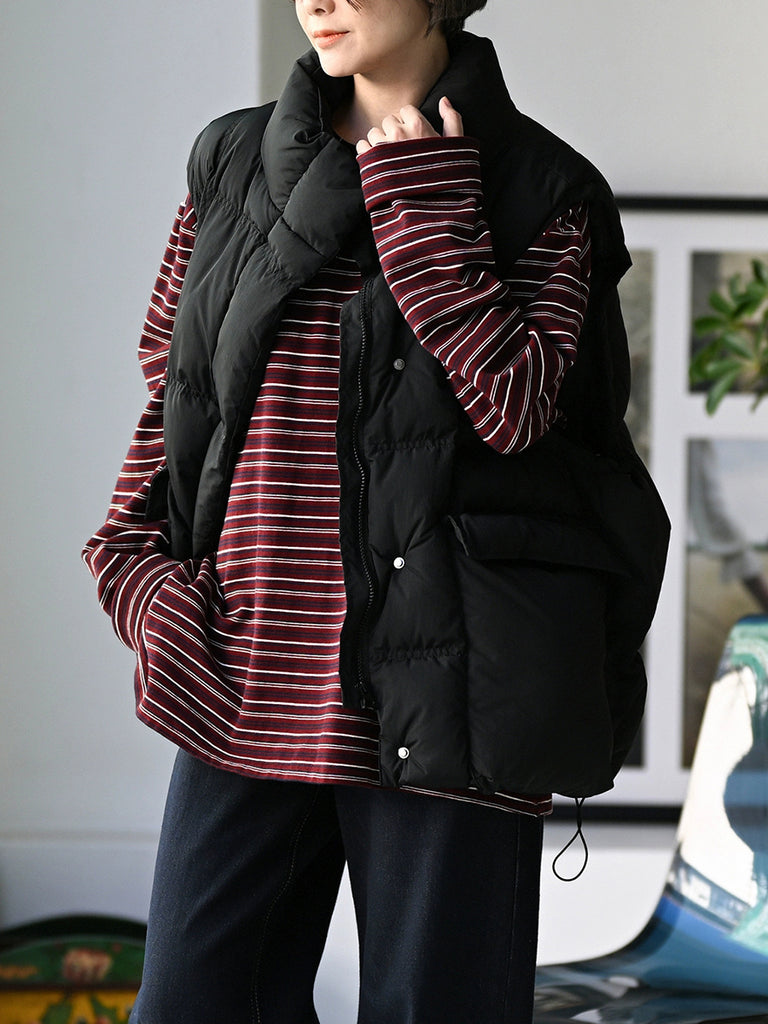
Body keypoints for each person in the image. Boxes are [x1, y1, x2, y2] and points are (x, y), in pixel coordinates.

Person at [83, 1, 668, 1021]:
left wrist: (426, 210)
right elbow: (177, 391)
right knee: (191, 1004)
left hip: (458, 694)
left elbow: (518, 408)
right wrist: (135, 571)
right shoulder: (231, 161)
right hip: (246, 670)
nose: (319, 0)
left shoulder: (542, 184)